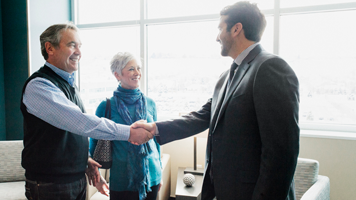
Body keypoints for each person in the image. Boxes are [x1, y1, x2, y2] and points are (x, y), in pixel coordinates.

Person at [133, 2, 300, 200]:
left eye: (220, 28)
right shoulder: (226, 76)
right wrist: (155, 128)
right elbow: (202, 116)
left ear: (236, 28)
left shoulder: (270, 67)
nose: (217, 37)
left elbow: (281, 153)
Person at [20, 23, 153, 200]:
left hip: (75, 180)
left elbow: (73, 133)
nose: (78, 52)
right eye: (72, 45)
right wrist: (128, 132)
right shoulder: (39, 86)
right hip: (50, 185)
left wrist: (86, 160)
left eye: (79, 46)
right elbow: (80, 123)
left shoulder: (70, 85)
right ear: (49, 48)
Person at [89, 52, 162, 200]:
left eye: (138, 68)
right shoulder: (106, 106)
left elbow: (157, 141)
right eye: (131, 69)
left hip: (151, 176)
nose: (137, 73)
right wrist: (97, 178)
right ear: (117, 75)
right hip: (121, 180)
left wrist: (159, 171)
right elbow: (94, 145)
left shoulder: (150, 103)